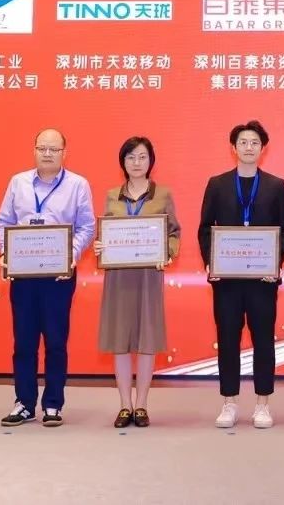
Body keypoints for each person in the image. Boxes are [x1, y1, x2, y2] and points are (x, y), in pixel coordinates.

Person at [0, 128, 95, 428]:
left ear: (64, 152)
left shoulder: (77, 185)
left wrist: (70, 254)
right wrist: (6, 252)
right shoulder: (18, 182)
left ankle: (53, 404)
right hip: (23, 274)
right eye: (42, 148)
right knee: (23, 342)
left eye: (54, 149)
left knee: (56, 341)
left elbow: (87, 227)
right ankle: (24, 403)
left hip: (59, 276)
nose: (47, 154)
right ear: (34, 150)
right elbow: (3, 222)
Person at [199, 120, 284, 429]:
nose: (248, 147)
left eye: (254, 142)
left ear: (262, 148)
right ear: (233, 148)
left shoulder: (276, 185)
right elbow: (205, 228)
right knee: (227, 339)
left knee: (263, 340)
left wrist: (274, 263)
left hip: (262, 281)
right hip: (226, 280)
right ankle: (229, 402)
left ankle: (263, 403)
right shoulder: (217, 184)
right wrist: (210, 262)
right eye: (243, 142)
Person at [97, 136, 181, 429]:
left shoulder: (163, 195)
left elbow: (174, 233)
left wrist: (167, 253)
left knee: (147, 340)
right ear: (123, 162)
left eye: (142, 157)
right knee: (120, 341)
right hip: (118, 276)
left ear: (150, 161)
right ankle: (125, 405)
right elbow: (105, 232)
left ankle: (142, 404)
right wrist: (100, 245)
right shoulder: (111, 195)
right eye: (131, 157)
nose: (136, 162)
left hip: (148, 275)